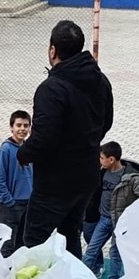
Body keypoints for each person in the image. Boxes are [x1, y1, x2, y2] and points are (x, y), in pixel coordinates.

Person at [17, 20, 114, 257]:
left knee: (34, 240)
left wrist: (23, 154)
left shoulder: (51, 89)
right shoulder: (100, 80)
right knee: (70, 234)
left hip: (55, 183)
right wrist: (85, 143)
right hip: (87, 176)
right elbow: (106, 122)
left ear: (53, 50)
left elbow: (43, 140)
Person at [82, 141, 139, 279]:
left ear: (111, 159)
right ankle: (81, 277)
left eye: (101, 158)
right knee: (92, 250)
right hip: (104, 219)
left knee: (115, 254)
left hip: (120, 223)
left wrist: (133, 215)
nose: (99, 161)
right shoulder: (103, 171)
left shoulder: (131, 178)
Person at [0, 111, 35, 257]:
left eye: (26, 125)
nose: (22, 129)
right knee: (7, 245)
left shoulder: (29, 149)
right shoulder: (5, 150)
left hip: (27, 204)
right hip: (11, 205)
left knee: (22, 245)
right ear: (11, 127)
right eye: (19, 125)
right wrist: (9, 201)